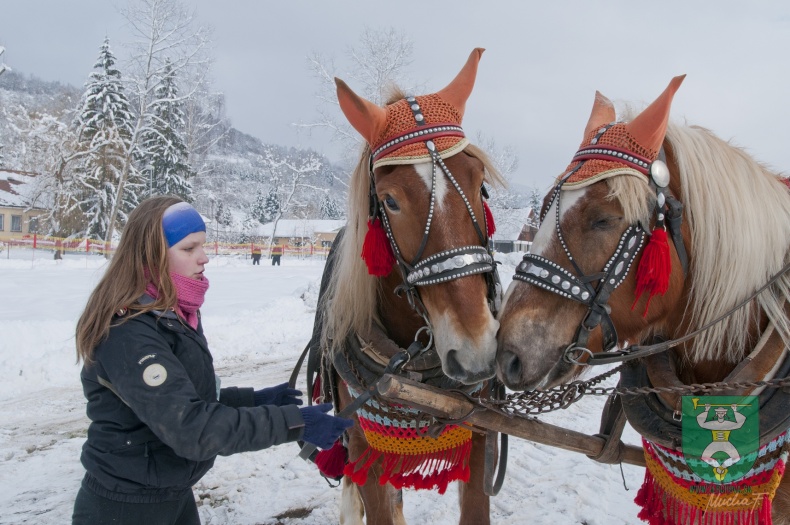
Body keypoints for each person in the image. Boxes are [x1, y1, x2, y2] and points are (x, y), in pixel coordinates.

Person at [72, 196, 352, 525]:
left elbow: (189, 398)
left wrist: (253, 400)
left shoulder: (174, 312)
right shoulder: (130, 331)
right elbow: (191, 428)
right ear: (152, 254)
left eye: (203, 246)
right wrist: (294, 423)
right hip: (126, 507)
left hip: (170, 492)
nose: (204, 258)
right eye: (189, 249)